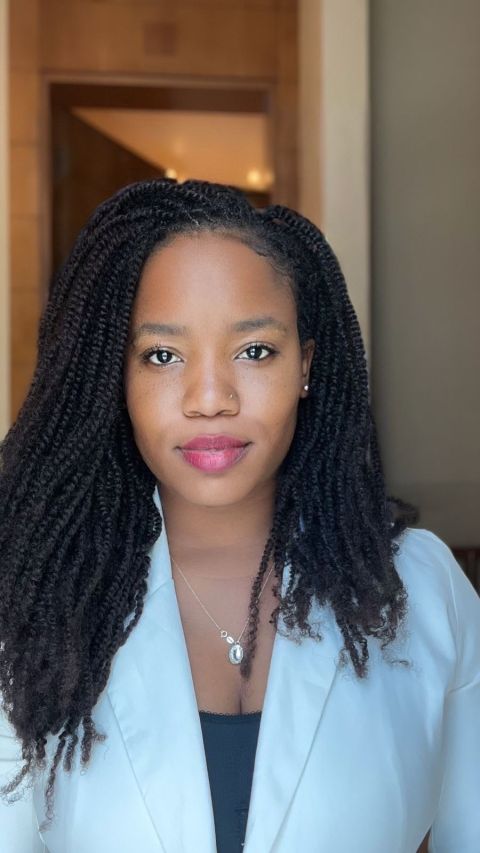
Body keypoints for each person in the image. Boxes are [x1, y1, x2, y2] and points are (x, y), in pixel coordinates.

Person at [0, 178, 478, 853]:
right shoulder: (29, 597)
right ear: (118, 376)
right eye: (163, 355)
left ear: (305, 364)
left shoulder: (424, 590)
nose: (210, 398)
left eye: (254, 350)